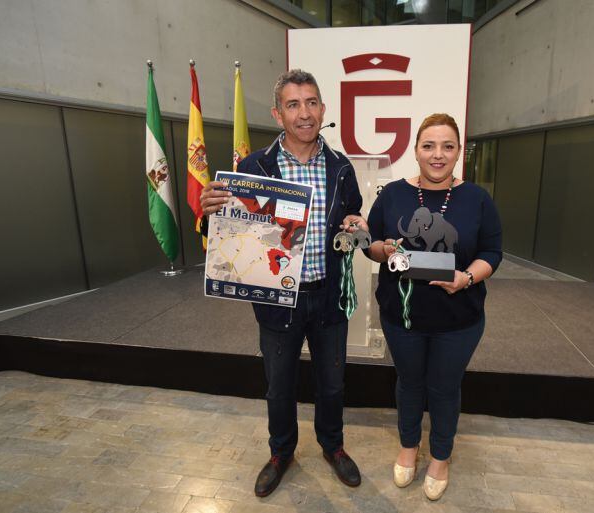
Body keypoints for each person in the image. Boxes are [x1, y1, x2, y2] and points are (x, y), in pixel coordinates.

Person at [200, 69, 367, 497]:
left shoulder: (341, 168)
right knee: (279, 386)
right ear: (278, 114)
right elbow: (225, 231)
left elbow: (353, 225)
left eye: (311, 102)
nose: (304, 113)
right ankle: (281, 452)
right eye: (293, 104)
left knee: (332, 383)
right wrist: (209, 211)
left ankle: (333, 446)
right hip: (277, 303)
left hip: (329, 299)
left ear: (323, 109)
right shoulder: (254, 166)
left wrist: (356, 228)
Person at [366, 113, 502, 500]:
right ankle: (409, 446)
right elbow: (373, 244)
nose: (437, 155)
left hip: (459, 320)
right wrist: (384, 248)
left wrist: (467, 278)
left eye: (447, 146)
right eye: (429, 146)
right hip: (402, 316)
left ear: (459, 151)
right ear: (416, 151)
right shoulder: (393, 194)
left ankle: (441, 455)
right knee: (408, 384)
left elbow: (492, 251)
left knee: (444, 388)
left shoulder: (477, 199)